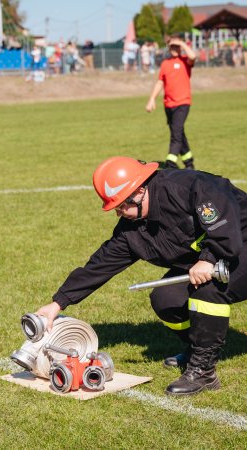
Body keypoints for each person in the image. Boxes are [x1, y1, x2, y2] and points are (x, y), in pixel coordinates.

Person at [35, 156, 247, 396]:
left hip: (240, 246)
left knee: (207, 291)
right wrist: (58, 302)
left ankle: (204, 371)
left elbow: (225, 226)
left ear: (140, 191)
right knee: (165, 298)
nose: (119, 213)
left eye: (122, 205)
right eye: (115, 207)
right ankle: (197, 347)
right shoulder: (132, 229)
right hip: (212, 259)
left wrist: (208, 259)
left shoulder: (189, 187)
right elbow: (100, 264)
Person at [146, 36, 197, 169]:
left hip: (183, 103)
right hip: (168, 105)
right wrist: (152, 98)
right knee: (178, 132)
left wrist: (181, 43)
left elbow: (193, 56)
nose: (174, 49)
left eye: (177, 46)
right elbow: (160, 82)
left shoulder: (186, 61)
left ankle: (170, 163)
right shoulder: (165, 64)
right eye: (172, 46)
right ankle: (189, 162)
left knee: (176, 133)